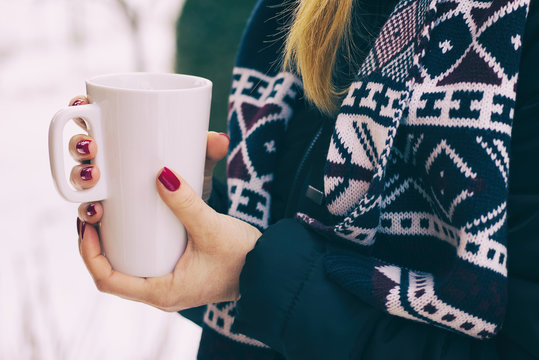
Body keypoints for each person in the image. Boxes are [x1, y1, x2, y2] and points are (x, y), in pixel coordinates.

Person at [68, 0, 539, 358]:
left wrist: (257, 273)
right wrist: (182, 220)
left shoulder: (517, 32)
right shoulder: (293, 13)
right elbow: (274, 231)